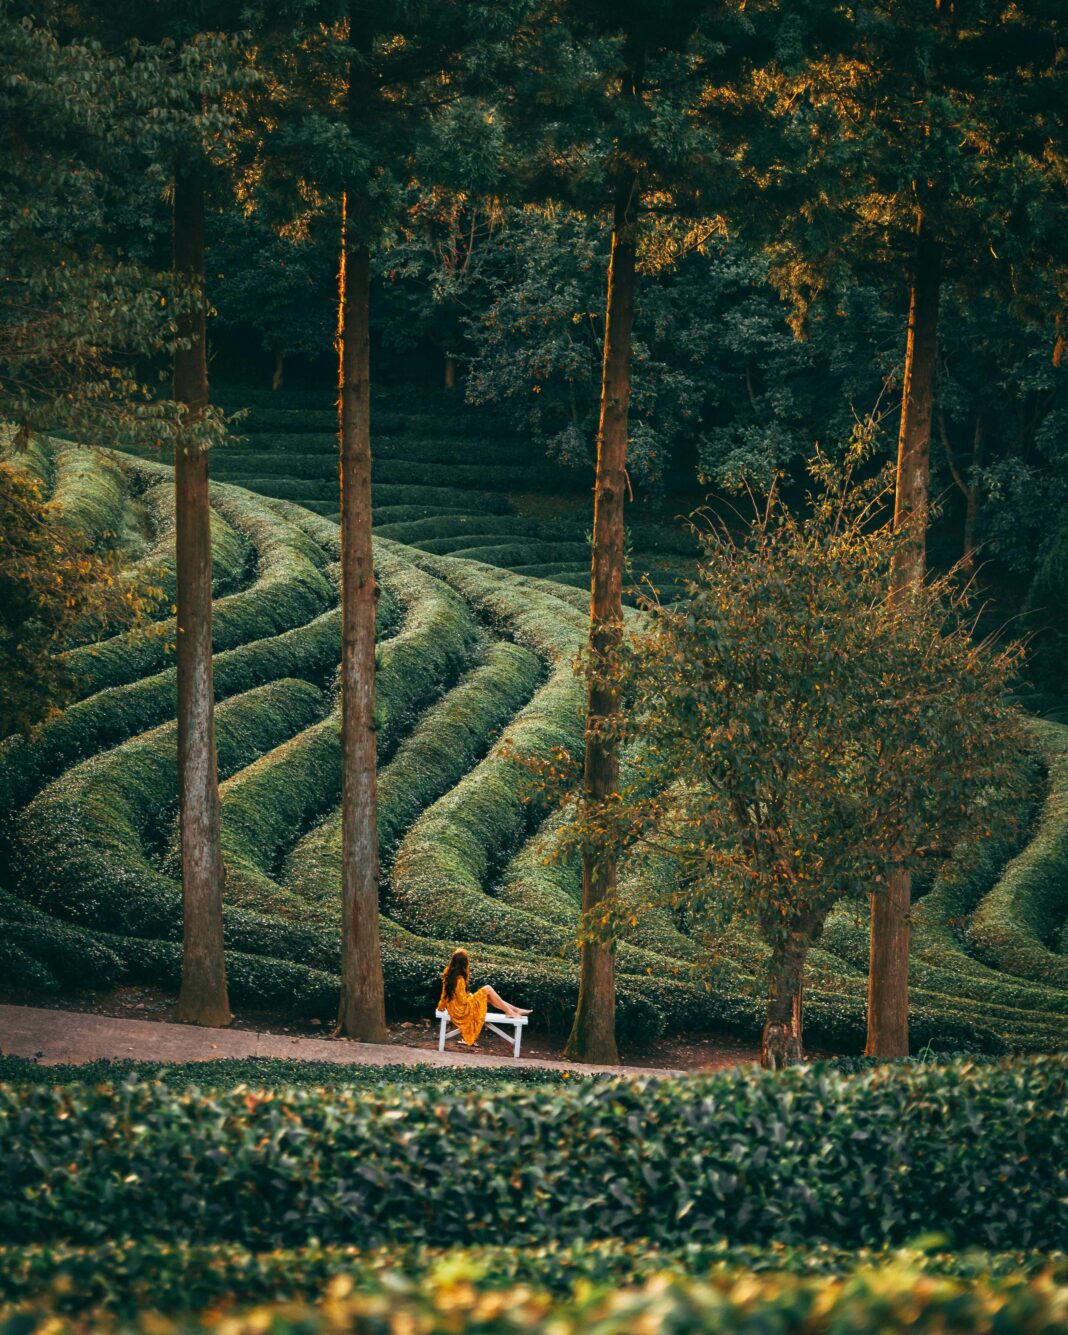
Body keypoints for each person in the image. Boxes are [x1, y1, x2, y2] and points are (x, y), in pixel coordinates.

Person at [438, 948, 530, 1047]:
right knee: (488, 989)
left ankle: (515, 1010)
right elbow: (463, 1000)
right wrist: (472, 997)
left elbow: (444, 994)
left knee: (488, 995)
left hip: (456, 1008)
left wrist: (441, 1007)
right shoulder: (459, 979)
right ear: (465, 963)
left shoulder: (448, 973)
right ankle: (510, 1012)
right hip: (462, 1011)